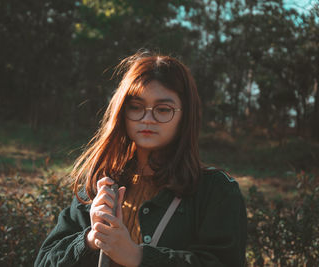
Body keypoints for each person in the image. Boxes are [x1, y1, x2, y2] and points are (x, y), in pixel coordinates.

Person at [34, 51, 247, 267]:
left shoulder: (216, 190)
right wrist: (90, 240)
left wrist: (137, 256)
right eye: (136, 107)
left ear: (186, 115)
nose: (147, 119)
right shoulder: (101, 185)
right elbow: (43, 262)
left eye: (163, 110)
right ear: (122, 112)